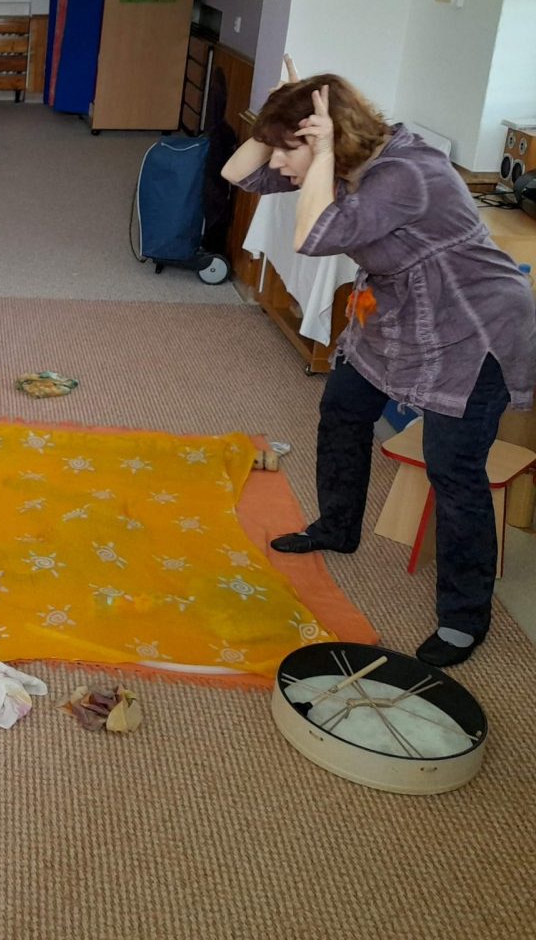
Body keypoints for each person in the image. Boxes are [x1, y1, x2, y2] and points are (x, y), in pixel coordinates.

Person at [223, 61, 536, 666]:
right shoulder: (343, 161)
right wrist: (276, 119)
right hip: (400, 316)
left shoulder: (407, 173)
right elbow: (239, 173)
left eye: (288, 150)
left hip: (474, 328)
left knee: (454, 468)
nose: (279, 164)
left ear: (326, 138)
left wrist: (318, 147)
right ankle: (338, 527)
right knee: (343, 409)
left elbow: (314, 237)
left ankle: (464, 617)